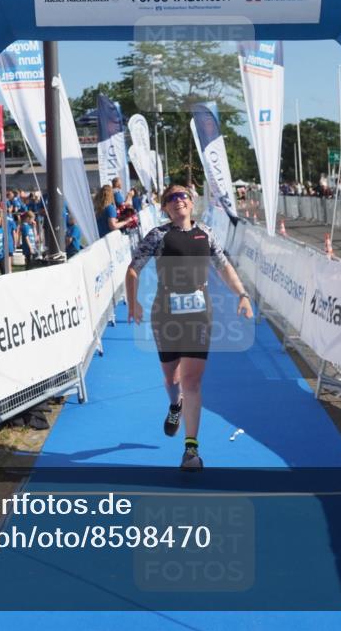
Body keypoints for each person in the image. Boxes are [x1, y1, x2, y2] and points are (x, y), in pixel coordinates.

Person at [125, 185, 253, 471]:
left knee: (192, 381)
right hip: (166, 314)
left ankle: (191, 449)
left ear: (191, 202)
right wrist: (133, 303)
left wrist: (242, 295)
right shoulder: (158, 235)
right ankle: (175, 406)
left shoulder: (206, 233)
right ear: (165, 208)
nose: (178, 200)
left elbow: (224, 266)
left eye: (182, 196)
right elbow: (133, 269)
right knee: (172, 379)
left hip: (199, 315)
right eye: (171, 198)